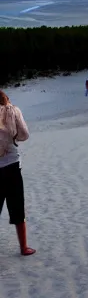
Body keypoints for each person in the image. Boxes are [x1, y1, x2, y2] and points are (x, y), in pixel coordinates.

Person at [0, 90, 36, 256]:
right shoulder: (14, 110)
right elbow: (25, 134)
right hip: (12, 165)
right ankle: (23, 248)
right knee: (17, 208)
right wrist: (13, 138)